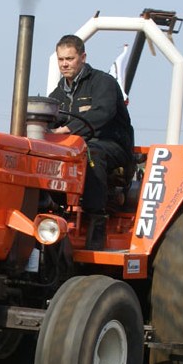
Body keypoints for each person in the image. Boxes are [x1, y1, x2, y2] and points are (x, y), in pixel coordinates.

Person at [49, 34, 134, 249]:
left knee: (89, 152)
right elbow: (49, 119)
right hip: (74, 147)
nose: (64, 64)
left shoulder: (103, 83)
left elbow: (102, 114)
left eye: (70, 58)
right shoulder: (57, 94)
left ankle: (96, 220)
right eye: (61, 59)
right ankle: (50, 211)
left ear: (83, 58)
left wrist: (67, 129)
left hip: (110, 145)